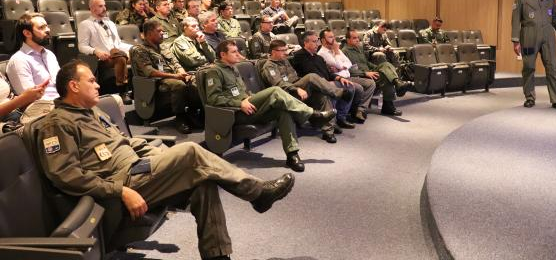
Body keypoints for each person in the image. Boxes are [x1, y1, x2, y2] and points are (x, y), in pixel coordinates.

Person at [32, 59, 296, 260]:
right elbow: (66, 175)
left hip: (139, 169)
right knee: (190, 150)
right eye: (91, 81)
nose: (98, 84)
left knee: (202, 183)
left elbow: (126, 143)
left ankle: (218, 257)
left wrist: (161, 156)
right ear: (74, 86)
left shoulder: (93, 112)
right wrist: (120, 190)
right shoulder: (56, 124)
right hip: (120, 185)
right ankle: (257, 192)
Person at [205, 40, 335, 171]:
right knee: (275, 91)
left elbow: (242, 92)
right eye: (234, 52)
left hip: (249, 107)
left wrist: (249, 97)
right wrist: (240, 103)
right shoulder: (214, 71)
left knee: (283, 112)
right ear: (223, 54)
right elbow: (213, 98)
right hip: (235, 113)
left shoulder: (233, 68)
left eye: (237, 51)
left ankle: (292, 155)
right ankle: (312, 114)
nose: (238, 54)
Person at [262, 40, 351, 144]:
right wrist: (297, 89)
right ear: (273, 51)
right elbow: (278, 84)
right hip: (286, 94)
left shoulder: (284, 61)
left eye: (286, 50)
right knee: (311, 76)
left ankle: (328, 131)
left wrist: (302, 86)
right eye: (282, 50)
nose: (286, 53)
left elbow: (294, 77)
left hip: (297, 87)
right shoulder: (269, 66)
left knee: (322, 96)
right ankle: (338, 93)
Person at [130, 20, 201, 133]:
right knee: (178, 84)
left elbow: (175, 63)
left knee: (197, 79)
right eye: (159, 31)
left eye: (162, 31)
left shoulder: (164, 46)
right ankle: (180, 117)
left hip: (174, 75)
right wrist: (175, 76)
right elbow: (150, 72)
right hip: (157, 80)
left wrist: (183, 74)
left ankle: (193, 112)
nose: (162, 33)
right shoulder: (140, 50)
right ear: (149, 33)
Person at [292, 31, 356, 131]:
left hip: (324, 84)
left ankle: (341, 118)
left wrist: (340, 78)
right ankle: (332, 123)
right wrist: (326, 82)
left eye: (317, 41)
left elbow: (328, 74)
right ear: (305, 43)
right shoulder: (299, 56)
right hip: (311, 87)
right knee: (328, 92)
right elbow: (310, 74)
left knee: (349, 86)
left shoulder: (318, 58)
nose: (317, 44)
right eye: (314, 41)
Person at [6, 13, 59, 125]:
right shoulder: (19, 60)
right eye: (41, 27)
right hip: (41, 111)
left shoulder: (49, 54)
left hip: (60, 104)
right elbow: (29, 100)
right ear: (27, 33)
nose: (48, 30)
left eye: (46, 26)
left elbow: (60, 84)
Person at [78, 0, 133, 104]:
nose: (104, 8)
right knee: (120, 57)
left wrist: (133, 48)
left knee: (136, 54)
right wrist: (96, 51)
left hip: (116, 53)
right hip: (103, 58)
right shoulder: (85, 24)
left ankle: (137, 89)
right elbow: (82, 46)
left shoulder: (110, 23)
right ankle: (123, 92)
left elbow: (118, 43)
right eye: (100, 6)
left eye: (104, 5)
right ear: (92, 8)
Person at [343, 29, 410, 116]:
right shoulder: (344, 52)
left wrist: (378, 68)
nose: (357, 40)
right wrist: (365, 73)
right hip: (360, 77)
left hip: (370, 73)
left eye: (358, 38)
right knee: (385, 76)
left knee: (386, 65)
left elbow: (366, 63)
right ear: (348, 40)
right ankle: (389, 105)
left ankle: (397, 83)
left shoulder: (359, 48)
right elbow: (348, 70)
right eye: (354, 38)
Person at [318, 29, 374, 123]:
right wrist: (337, 54)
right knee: (358, 88)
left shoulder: (337, 50)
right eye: (330, 37)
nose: (333, 39)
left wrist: (341, 67)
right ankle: (345, 115)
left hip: (348, 76)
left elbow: (349, 63)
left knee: (370, 83)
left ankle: (358, 111)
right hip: (338, 79)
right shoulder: (322, 53)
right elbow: (339, 65)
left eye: (333, 37)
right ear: (323, 40)